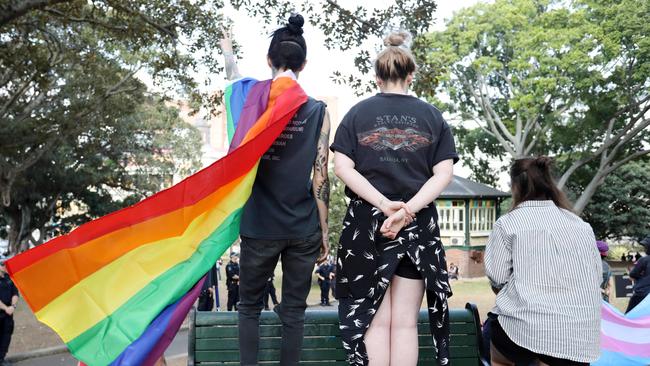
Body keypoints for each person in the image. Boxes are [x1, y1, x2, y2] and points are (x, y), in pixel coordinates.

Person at [331, 31, 457, 366]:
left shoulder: (357, 114)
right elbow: (442, 175)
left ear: (377, 76)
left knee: (374, 319)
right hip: (417, 227)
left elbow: (342, 167)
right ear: (410, 75)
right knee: (404, 323)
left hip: (366, 226)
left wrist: (384, 205)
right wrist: (407, 210)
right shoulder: (433, 117)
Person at [220, 14, 331, 366]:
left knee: (249, 307)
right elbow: (321, 175)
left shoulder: (251, 103)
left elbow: (232, 80)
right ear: (304, 64)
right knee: (294, 312)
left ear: (269, 60)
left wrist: (227, 49)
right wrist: (324, 230)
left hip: (260, 225)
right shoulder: (318, 110)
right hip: (302, 227)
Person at [485, 157, 601, 366]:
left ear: (515, 186)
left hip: (523, 330)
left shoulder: (508, 223)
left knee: (496, 347)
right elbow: (596, 276)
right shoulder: (581, 225)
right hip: (579, 337)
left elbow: (498, 278)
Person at [0, 259, 18, 366]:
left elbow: (15, 293)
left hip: (9, 313)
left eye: (5, 264)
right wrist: (6, 308)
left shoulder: (8, 278)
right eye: (2, 264)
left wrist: (13, 306)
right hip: (2, 311)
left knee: (6, 335)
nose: (4, 266)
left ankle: (1, 358)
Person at [627, 235, 650, 313]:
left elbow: (633, 274)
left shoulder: (644, 260)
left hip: (642, 294)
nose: (644, 248)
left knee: (629, 316)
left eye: (646, 246)